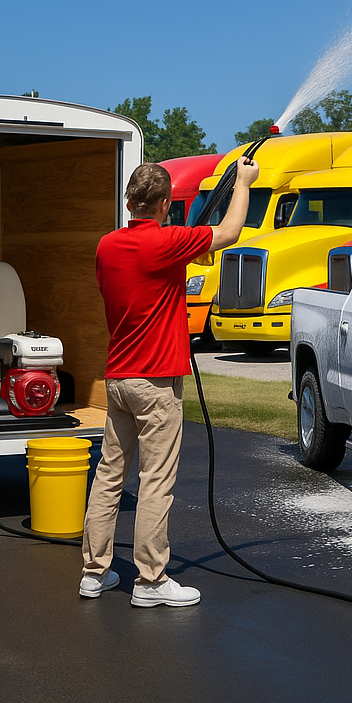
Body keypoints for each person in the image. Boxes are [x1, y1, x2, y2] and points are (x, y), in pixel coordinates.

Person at [79, 156, 259, 604]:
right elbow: (231, 232)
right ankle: (152, 581)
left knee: (108, 476)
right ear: (163, 203)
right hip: (155, 384)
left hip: (118, 378)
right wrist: (243, 182)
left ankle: (93, 573)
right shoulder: (165, 242)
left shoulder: (107, 246)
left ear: (129, 202)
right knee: (155, 480)